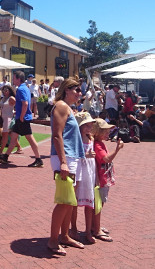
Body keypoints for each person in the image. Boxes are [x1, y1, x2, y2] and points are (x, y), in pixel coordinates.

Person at [47, 78, 85, 256]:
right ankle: (53, 240)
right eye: (76, 90)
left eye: (80, 90)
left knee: (70, 201)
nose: (80, 93)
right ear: (67, 90)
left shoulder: (68, 107)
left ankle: (64, 235)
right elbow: (57, 136)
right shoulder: (61, 106)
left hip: (72, 157)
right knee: (64, 200)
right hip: (65, 158)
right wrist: (63, 161)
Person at [0, 71, 43, 167]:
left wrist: (22, 116)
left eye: (14, 78)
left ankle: (38, 159)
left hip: (23, 118)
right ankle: (5, 156)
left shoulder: (21, 89)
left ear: (18, 79)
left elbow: (25, 103)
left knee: (29, 138)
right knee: (13, 137)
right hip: (21, 117)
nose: (13, 80)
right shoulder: (24, 88)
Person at [92, 118, 124, 242]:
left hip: (103, 177)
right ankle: (96, 229)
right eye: (104, 131)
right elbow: (106, 159)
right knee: (99, 203)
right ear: (97, 132)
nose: (108, 133)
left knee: (100, 203)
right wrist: (117, 150)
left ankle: (96, 225)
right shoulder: (97, 144)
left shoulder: (100, 143)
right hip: (101, 179)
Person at [71, 112, 97, 244]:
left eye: (90, 125)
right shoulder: (76, 139)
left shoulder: (91, 138)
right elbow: (74, 155)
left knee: (89, 202)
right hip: (79, 171)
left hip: (89, 172)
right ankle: (73, 229)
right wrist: (86, 155)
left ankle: (88, 231)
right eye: (85, 125)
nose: (89, 128)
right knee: (74, 202)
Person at [0, 85, 22, 156]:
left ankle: (1, 151)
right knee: (10, 134)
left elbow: (19, 105)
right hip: (4, 117)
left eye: (6, 90)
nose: (4, 92)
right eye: (3, 90)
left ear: (10, 91)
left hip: (8, 118)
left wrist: (15, 112)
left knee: (5, 135)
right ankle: (19, 147)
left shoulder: (11, 98)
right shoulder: (4, 98)